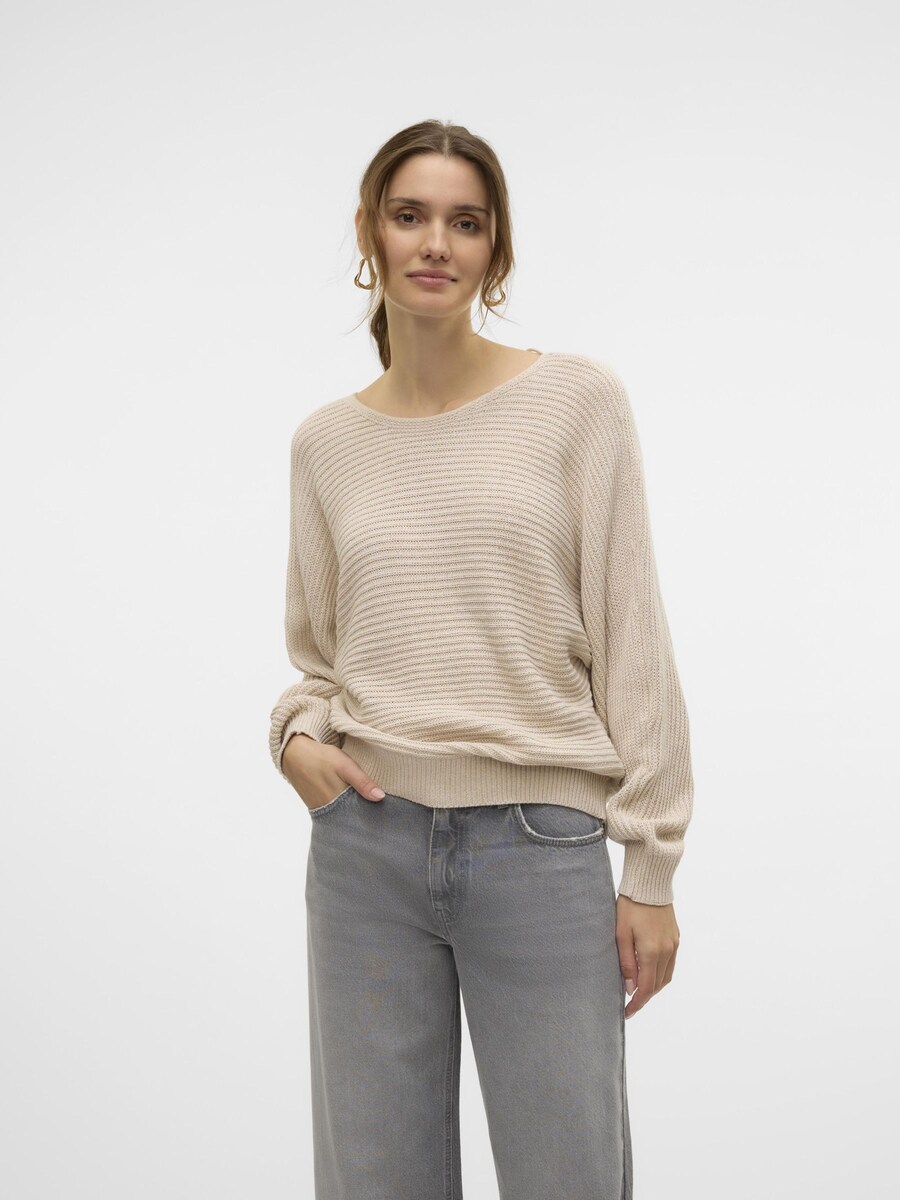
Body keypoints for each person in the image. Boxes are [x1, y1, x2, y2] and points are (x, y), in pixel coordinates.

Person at [268, 119, 694, 1200]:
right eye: (410, 216)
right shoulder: (324, 444)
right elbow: (321, 656)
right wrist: (295, 735)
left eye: (465, 223)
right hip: (365, 850)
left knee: (569, 1178)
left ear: (495, 249)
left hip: (540, 849)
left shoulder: (577, 404)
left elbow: (634, 639)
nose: (435, 244)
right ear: (368, 233)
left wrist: (650, 870)